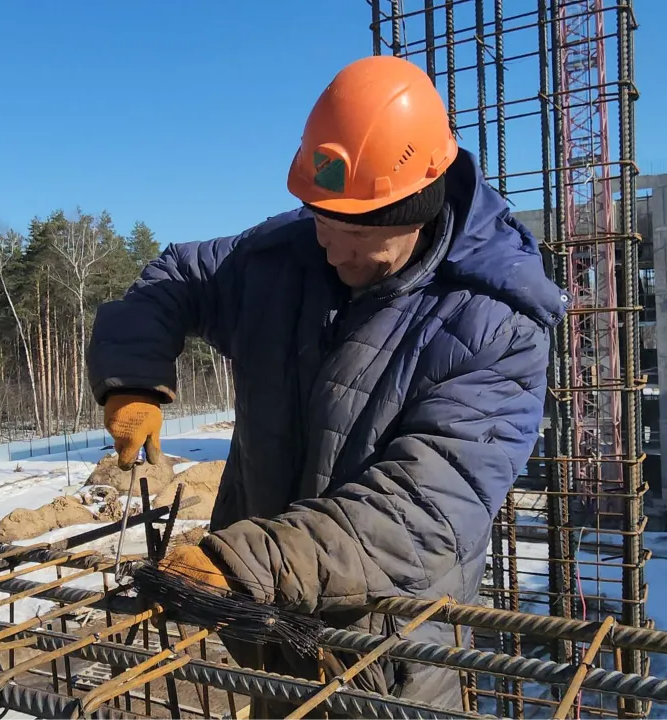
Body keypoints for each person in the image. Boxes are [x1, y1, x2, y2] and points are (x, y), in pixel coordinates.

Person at [86, 54, 567, 716]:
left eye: (358, 237)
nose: (334, 253)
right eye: (322, 224)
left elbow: (422, 512)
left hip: (391, 655)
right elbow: (176, 276)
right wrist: (132, 377)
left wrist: (245, 563)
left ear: (417, 207)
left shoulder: (497, 325)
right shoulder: (285, 258)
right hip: (270, 632)